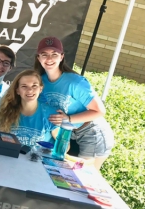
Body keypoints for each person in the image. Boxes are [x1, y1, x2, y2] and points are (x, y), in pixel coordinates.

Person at [34, 36, 115, 170]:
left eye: (54, 54)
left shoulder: (75, 82)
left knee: (86, 178)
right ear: (38, 58)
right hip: (69, 133)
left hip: (91, 132)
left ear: (61, 57)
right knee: (67, 175)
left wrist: (69, 118)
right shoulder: (40, 82)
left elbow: (100, 111)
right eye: (44, 54)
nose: (49, 59)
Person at [0, 70, 59, 147]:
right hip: (11, 157)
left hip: (38, 158)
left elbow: (64, 147)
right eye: (24, 86)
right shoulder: (6, 110)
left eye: (34, 86)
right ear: (17, 91)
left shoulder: (51, 114)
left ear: (40, 89)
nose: (30, 90)